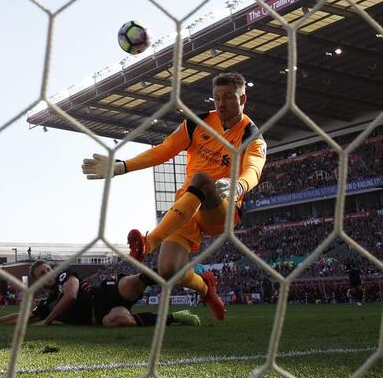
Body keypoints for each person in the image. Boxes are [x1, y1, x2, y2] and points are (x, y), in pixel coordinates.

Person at [81, 72, 266, 321]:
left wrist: (239, 186)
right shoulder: (197, 123)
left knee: (201, 179)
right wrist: (122, 166)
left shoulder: (251, 136)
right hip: (186, 207)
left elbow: (253, 169)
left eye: (229, 98)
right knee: (168, 269)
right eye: (216, 98)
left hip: (221, 207)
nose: (221, 103)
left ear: (243, 98)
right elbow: (166, 149)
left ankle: (150, 241)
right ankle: (205, 287)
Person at [0, 260, 200, 327]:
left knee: (132, 283)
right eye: (43, 273)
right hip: (101, 316)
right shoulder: (46, 302)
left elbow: (71, 296)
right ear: (38, 281)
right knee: (118, 319)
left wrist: (48, 321)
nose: (49, 273)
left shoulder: (64, 277)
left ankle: (173, 273)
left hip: (104, 294)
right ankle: (175, 317)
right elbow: (22, 318)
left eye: (49, 269)